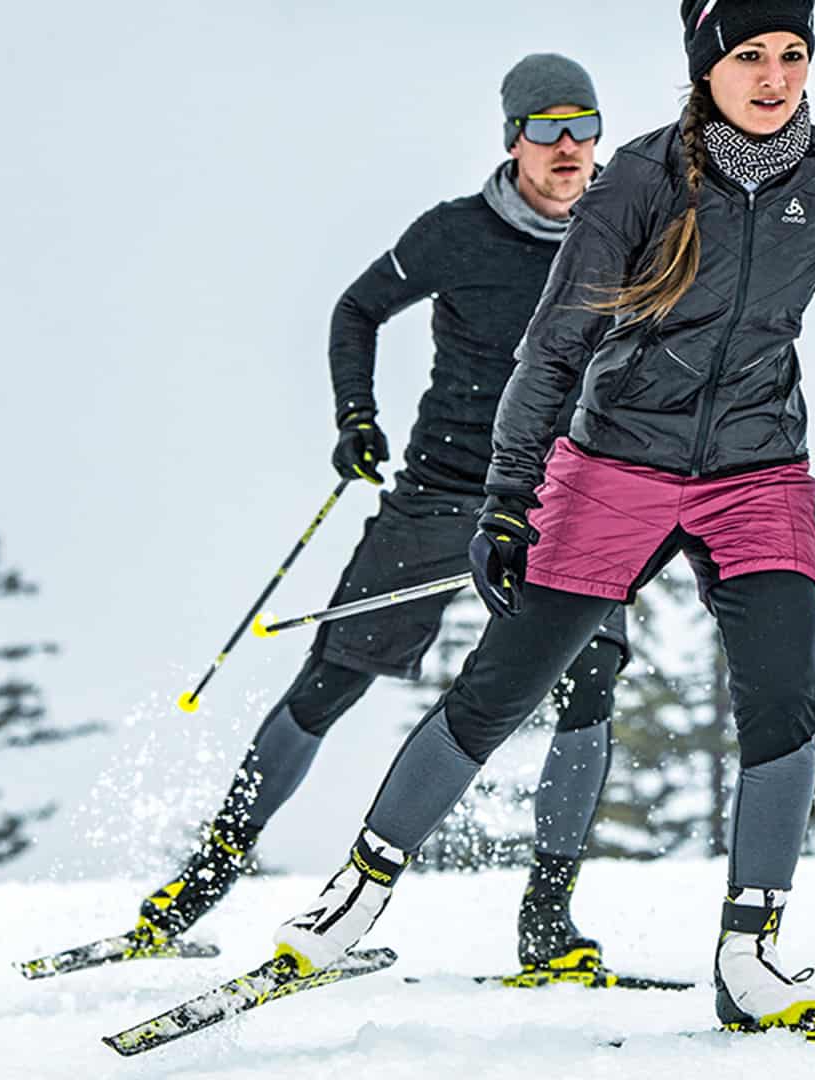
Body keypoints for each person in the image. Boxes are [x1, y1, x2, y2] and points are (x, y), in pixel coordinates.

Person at [272, 0, 815, 1035]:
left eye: (793, 53)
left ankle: (749, 954)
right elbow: (554, 348)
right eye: (751, 55)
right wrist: (511, 498)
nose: (776, 76)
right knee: (501, 686)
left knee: (783, 698)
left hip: (758, 471)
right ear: (706, 65)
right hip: (615, 466)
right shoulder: (645, 180)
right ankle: (356, 895)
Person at [135, 54, 633, 978]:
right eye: (545, 128)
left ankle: (546, 923)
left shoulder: (630, 229)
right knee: (334, 677)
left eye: (583, 126)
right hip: (443, 488)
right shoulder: (455, 234)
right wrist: (355, 416)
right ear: (512, 139)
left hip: (570, 500)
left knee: (588, 688)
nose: (567, 148)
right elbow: (358, 307)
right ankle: (200, 881)